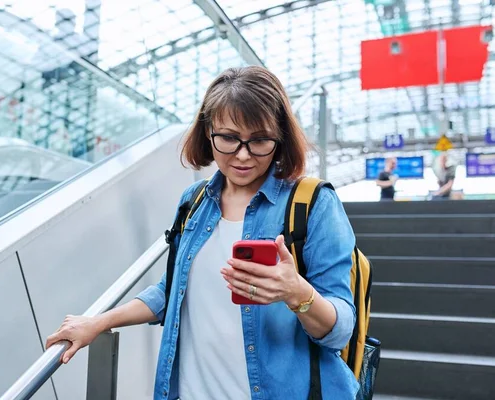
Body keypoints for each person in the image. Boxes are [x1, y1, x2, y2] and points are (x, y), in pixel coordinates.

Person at [46, 66, 358, 399]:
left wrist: (297, 293)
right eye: (228, 138)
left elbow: (340, 331)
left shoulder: (312, 204)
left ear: (279, 138)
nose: (242, 155)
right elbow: (175, 291)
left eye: (260, 140)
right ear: (207, 133)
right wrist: (100, 322)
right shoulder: (194, 202)